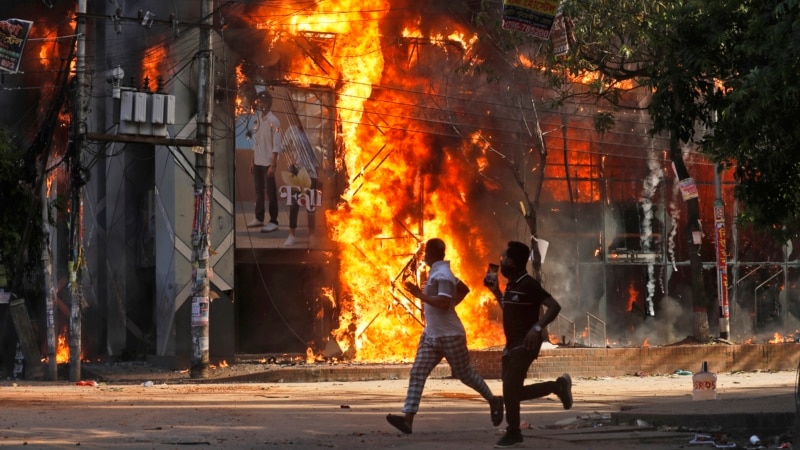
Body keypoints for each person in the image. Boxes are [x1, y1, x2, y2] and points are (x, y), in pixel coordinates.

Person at [386, 238, 504, 435]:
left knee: (465, 374)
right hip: (431, 335)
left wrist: (419, 295)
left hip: (450, 335)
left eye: (425, 253)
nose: (424, 256)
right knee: (417, 373)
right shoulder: (439, 272)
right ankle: (408, 419)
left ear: (431, 254)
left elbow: (442, 302)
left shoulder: (443, 275)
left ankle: (494, 400)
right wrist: (451, 305)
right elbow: (464, 289)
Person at [484, 240, 573, 448]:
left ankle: (514, 432)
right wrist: (496, 292)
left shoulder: (529, 284)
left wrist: (537, 328)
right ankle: (557, 386)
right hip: (511, 346)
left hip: (526, 344)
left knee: (509, 388)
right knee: (512, 392)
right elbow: (511, 311)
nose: (501, 260)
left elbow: (554, 306)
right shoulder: (512, 285)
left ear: (514, 262)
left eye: (505, 258)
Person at [247, 91, 283, 233]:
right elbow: (256, 143)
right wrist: (252, 161)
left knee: (271, 192)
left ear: (268, 103)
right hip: (257, 162)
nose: (259, 104)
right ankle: (259, 218)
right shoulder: (258, 120)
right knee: (259, 191)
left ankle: (273, 221)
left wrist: (273, 165)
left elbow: (277, 144)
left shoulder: (274, 121)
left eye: (261, 102)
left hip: (268, 163)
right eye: (258, 102)